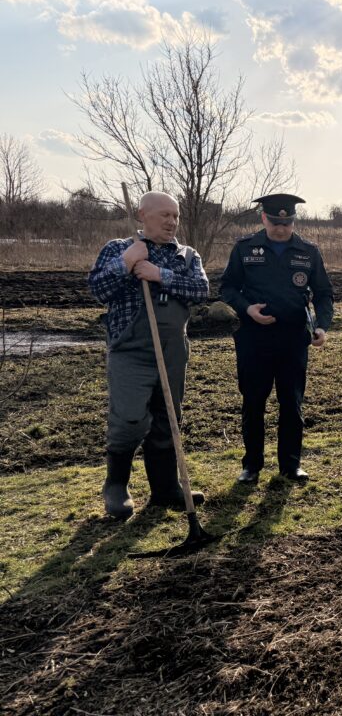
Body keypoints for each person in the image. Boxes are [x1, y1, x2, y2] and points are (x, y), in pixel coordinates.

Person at [87, 190, 210, 520]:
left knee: (168, 416)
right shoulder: (118, 248)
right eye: (164, 215)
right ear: (143, 215)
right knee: (128, 417)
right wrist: (128, 262)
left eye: (176, 216)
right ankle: (116, 487)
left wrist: (160, 275)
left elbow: (201, 290)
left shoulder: (186, 255)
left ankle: (165, 488)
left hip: (173, 351)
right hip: (130, 350)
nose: (172, 222)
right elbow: (98, 289)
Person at [220, 193, 333, 483]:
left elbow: (323, 293)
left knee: (291, 403)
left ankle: (290, 465)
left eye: (287, 222)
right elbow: (228, 288)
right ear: (263, 218)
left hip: (293, 339)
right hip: (253, 338)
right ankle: (252, 466)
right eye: (275, 221)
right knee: (254, 403)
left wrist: (321, 326)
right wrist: (247, 309)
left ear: (293, 221)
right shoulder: (245, 248)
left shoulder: (308, 251)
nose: (281, 228)